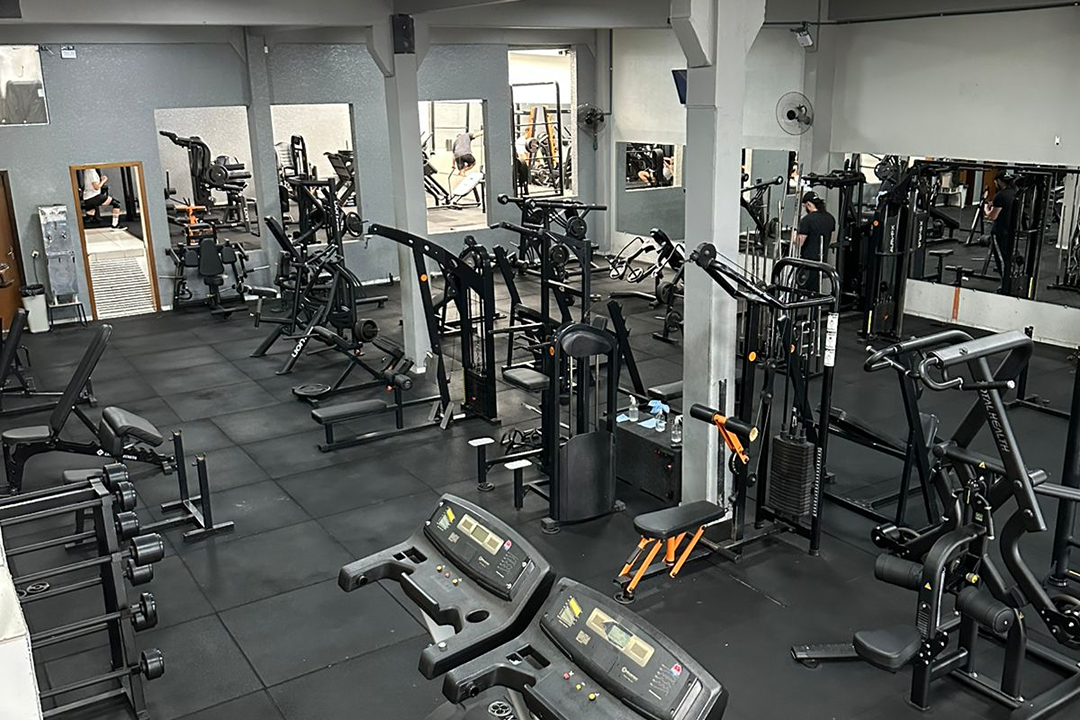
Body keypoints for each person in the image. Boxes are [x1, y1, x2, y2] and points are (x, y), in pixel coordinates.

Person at [794, 191, 836, 263]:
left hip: (808, 263)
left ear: (808, 204)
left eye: (804, 206)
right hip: (823, 263)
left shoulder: (807, 219)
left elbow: (799, 242)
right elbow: (832, 240)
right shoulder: (831, 218)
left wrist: (794, 235)